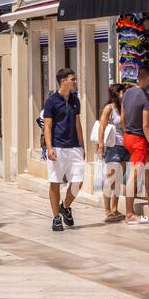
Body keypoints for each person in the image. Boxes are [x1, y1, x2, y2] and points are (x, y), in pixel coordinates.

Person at [40, 68, 85, 232]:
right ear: (63, 81)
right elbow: (48, 126)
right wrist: (49, 147)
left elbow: (78, 123)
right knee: (55, 182)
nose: (75, 81)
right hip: (57, 147)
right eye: (72, 79)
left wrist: (82, 145)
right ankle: (56, 217)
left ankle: (65, 207)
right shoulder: (51, 101)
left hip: (74, 147)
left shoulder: (76, 99)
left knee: (78, 181)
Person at [122, 67, 149, 225]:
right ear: (148, 79)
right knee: (133, 177)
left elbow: (123, 118)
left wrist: (127, 132)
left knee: (147, 165)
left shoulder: (128, 93)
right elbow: (146, 125)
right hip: (138, 140)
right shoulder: (146, 97)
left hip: (128, 137)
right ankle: (129, 214)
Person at [99, 83, 128, 223]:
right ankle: (106, 210)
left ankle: (115, 209)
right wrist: (100, 145)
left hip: (124, 146)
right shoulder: (109, 108)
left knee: (118, 180)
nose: (124, 93)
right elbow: (102, 127)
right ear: (116, 93)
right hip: (113, 147)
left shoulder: (123, 107)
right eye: (122, 91)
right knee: (110, 180)